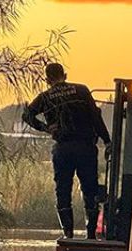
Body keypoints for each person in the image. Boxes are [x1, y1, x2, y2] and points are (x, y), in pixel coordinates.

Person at [22, 63, 111, 239]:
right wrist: (107, 140)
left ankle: (68, 234)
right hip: (85, 147)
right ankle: (91, 234)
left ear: (47, 80)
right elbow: (96, 117)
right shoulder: (81, 91)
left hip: (63, 149)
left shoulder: (45, 97)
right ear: (65, 75)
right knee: (90, 189)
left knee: (63, 190)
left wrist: (46, 128)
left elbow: (27, 115)